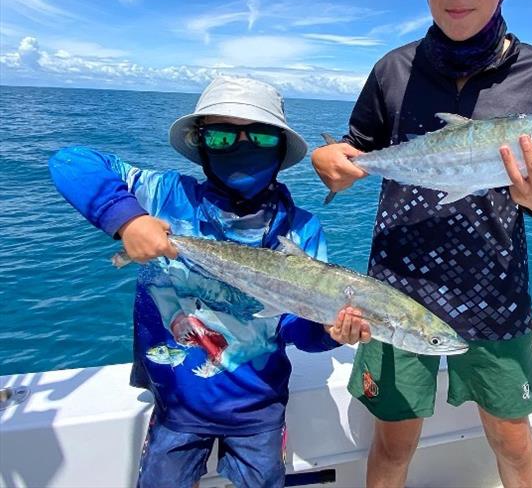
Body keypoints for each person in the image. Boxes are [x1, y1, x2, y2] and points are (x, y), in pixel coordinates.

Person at [311, 0, 532, 488]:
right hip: (398, 291)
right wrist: (329, 160)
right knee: (393, 445)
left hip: (496, 294)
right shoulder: (393, 70)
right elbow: (356, 151)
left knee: (513, 442)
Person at [49, 76, 370, 488]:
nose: (241, 147)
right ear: (200, 144)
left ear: (280, 148)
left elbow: (296, 329)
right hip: (174, 403)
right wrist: (127, 219)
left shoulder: (301, 230)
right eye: (220, 137)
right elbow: (70, 161)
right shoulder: (163, 196)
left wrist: (332, 332)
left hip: (260, 409)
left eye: (260, 137)